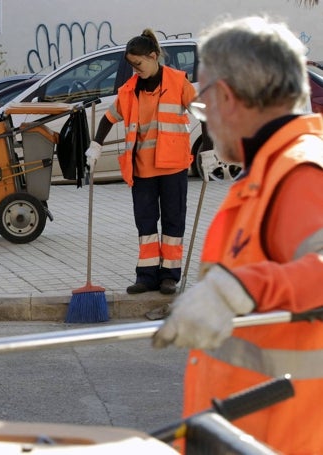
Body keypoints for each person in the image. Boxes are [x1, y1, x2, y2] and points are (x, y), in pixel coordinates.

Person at [152, 16, 323, 454]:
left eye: (202, 105)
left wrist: (236, 289)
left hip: (281, 441)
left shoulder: (301, 173)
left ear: (225, 97)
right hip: (246, 437)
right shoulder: (270, 173)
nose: (203, 121)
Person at [86, 29, 196, 295]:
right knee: (146, 224)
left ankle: (169, 275)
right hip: (142, 170)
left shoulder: (178, 81)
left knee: (173, 222)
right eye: (132, 65)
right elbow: (108, 119)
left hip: (173, 167)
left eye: (139, 63)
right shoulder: (128, 91)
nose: (136, 70)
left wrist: (212, 148)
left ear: (153, 56)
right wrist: (96, 145)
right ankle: (146, 276)